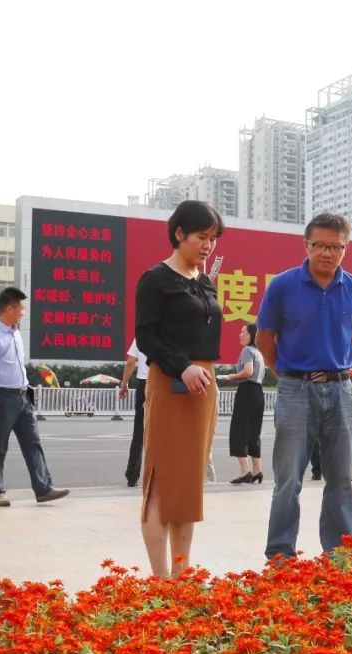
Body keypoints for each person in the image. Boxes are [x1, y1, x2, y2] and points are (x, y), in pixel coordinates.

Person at [256, 213, 352, 558]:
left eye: (336, 247)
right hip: (296, 390)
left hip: (341, 391)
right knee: (288, 480)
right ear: (306, 245)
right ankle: (280, 554)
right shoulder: (283, 286)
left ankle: (338, 554)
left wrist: (337, 368)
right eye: (319, 245)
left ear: (345, 249)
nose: (327, 253)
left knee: (341, 479)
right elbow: (264, 340)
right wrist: (287, 374)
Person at [134, 200, 224, 578]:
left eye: (213, 239)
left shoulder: (203, 281)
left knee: (188, 484)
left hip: (203, 384)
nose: (208, 246)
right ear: (178, 234)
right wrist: (182, 367)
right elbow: (146, 337)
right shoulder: (156, 279)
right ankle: (160, 580)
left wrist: (198, 369)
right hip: (171, 381)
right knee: (161, 482)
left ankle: (182, 576)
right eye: (202, 237)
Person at [0, 288, 69, 507]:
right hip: (2, 397)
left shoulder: (16, 332)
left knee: (33, 443)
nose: (23, 313)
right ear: (10, 308)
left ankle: (43, 488)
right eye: (22, 308)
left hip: (23, 396)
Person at [219, 323, 266, 485]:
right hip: (259, 393)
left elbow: (248, 372)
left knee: (238, 430)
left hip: (246, 392)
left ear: (251, 335)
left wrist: (231, 377)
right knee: (254, 432)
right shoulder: (258, 353)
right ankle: (257, 470)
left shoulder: (247, 351)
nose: (240, 335)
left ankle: (245, 471)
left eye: (243, 332)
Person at [119, 339, 149, 488]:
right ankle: (160, 474)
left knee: (139, 432)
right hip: (162, 384)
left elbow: (131, 361)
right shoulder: (168, 329)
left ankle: (132, 474)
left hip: (143, 383)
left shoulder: (142, 334)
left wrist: (124, 384)